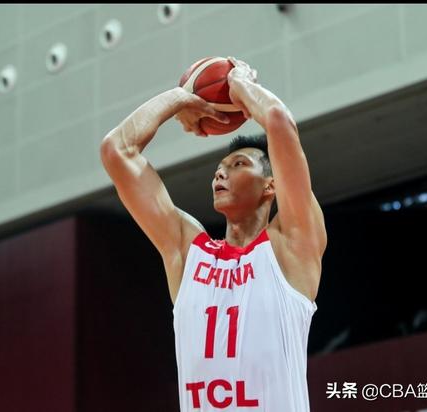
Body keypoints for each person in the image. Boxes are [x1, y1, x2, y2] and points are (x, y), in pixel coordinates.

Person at [100, 56, 327, 411]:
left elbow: (279, 121)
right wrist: (181, 98)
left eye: (238, 164)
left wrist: (240, 85)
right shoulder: (189, 252)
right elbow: (116, 150)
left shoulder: (292, 245)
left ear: (271, 185)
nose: (220, 174)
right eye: (219, 167)